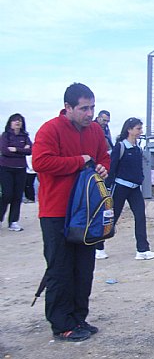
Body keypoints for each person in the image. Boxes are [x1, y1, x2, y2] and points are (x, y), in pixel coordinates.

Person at [32, 82, 110, 341]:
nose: (90, 114)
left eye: (92, 108)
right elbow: (40, 162)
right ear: (68, 108)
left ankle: (79, 318)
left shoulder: (96, 130)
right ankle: (61, 324)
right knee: (60, 269)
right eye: (84, 108)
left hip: (86, 212)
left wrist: (102, 167)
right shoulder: (50, 129)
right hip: (55, 212)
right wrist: (79, 161)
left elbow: (103, 157)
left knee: (84, 268)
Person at [95, 118, 154, 261]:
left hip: (135, 188)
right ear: (129, 130)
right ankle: (98, 247)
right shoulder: (120, 147)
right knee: (112, 217)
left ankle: (142, 250)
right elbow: (112, 167)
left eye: (141, 128)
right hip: (121, 187)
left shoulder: (138, 148)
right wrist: (108, 186)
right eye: (138, 128)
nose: (140, 131)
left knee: (140, 216)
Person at [0, 113, 32, 231]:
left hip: (21, 169)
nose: (17, 122)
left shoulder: (25, 136)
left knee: (17, 196)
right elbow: (4, 150)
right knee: (7, 194)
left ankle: (13, 221)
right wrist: (23, 150)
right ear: (10, 123)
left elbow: (30, 151)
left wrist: (16, 149)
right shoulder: (5, 135)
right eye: (15, 121)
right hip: (6, 168)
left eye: (19, 121)